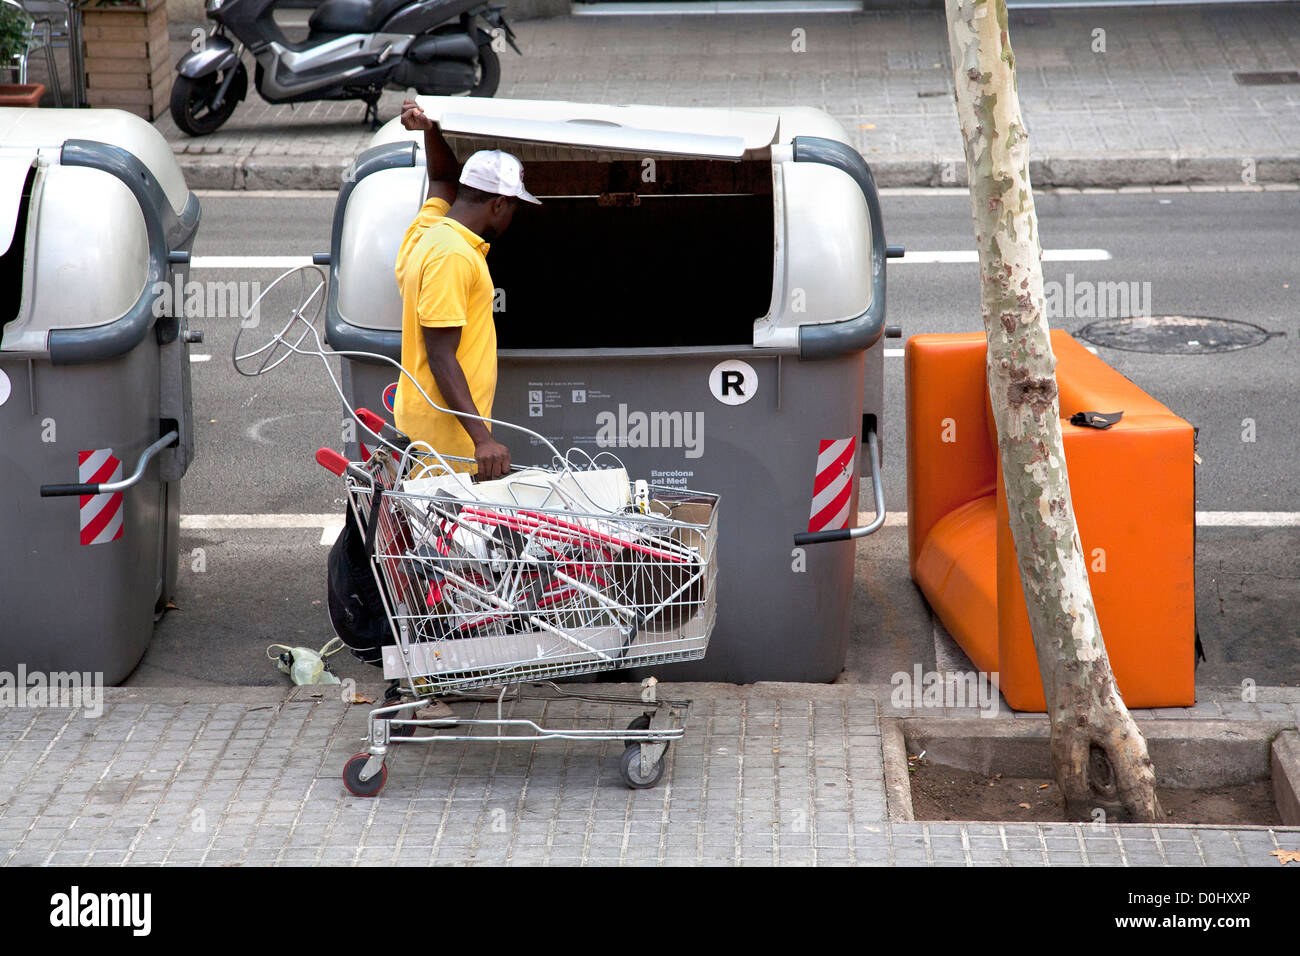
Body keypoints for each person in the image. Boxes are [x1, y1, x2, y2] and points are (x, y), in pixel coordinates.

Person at [393, 98, 541, 479]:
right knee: (446, 537)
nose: (513, 217)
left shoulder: (428, 229)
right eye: (513, 208)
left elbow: (441, 179)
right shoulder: (453, 255)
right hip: (447, 438)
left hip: (429, 422)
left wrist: (431, 127)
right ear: (498, 205)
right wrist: (482, 440)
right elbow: (441, 353)